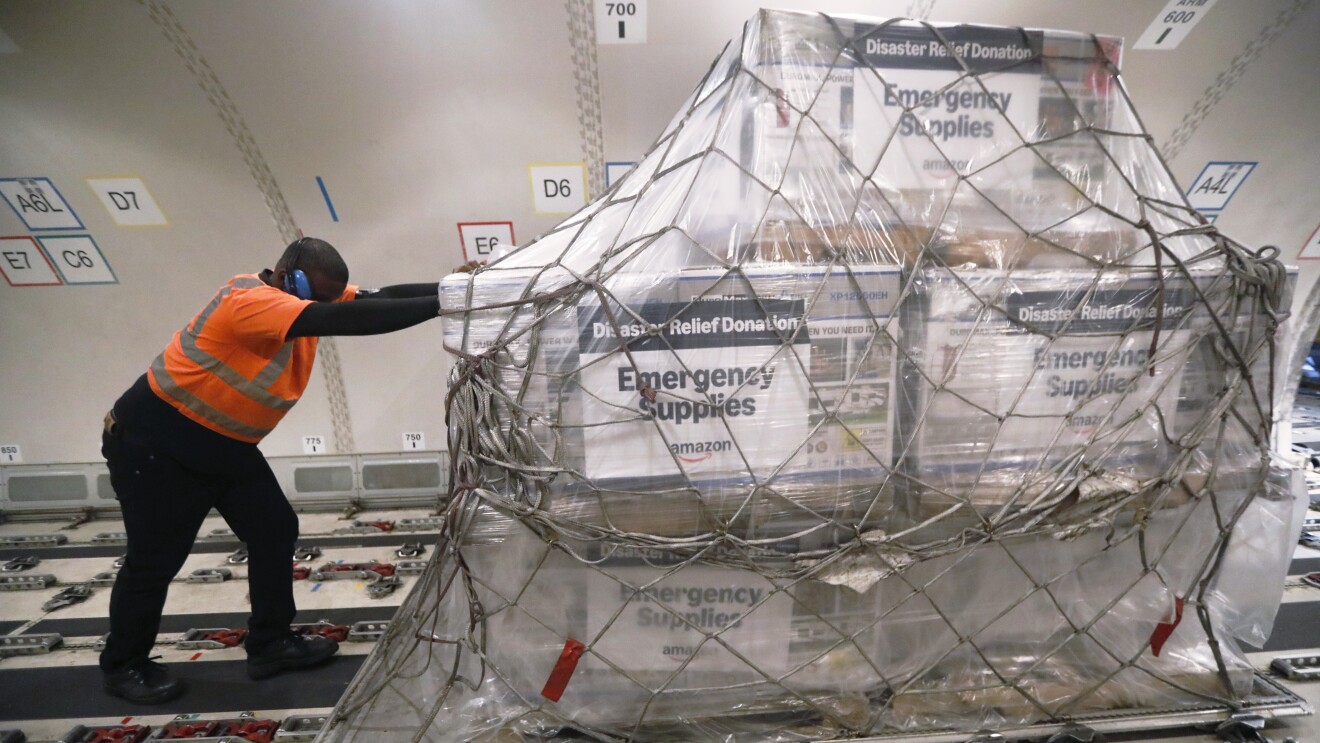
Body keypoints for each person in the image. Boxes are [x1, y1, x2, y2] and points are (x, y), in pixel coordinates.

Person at [99, 237, 442, 704]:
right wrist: (445, 304)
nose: (322, 304)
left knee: (274, 529)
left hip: (224, 445)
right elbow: (347, 319)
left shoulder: (305, 293)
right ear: (289, 276)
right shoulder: (250, 302)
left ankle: (270, 643)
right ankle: (123, 665)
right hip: (157, 444)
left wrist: (461, 290)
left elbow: (379, 298)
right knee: (155, 559)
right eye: (316, 297)